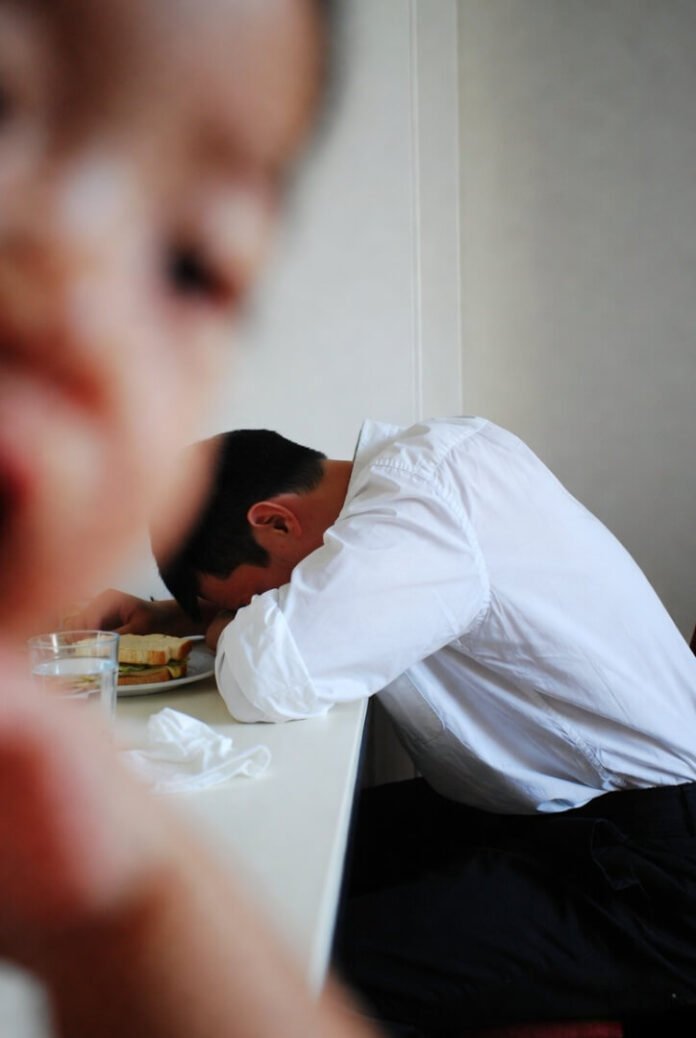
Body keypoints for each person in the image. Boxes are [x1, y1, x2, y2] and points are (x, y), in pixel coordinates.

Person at [0, 0, 379, 1035]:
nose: (85, 297)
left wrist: (134, 902)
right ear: (272, 523)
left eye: (191, 265)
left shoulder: (425, 492)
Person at [79, 418, 696, 1036]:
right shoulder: (430, 467)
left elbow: (268, 676)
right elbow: (324, 606)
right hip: (565, 809)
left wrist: (226, 628)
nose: (255, 613)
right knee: (270, 876)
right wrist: (179, 618)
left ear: (274, 520)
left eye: (247, 603)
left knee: (280, 975)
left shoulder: (417, 504)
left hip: (652, 870)